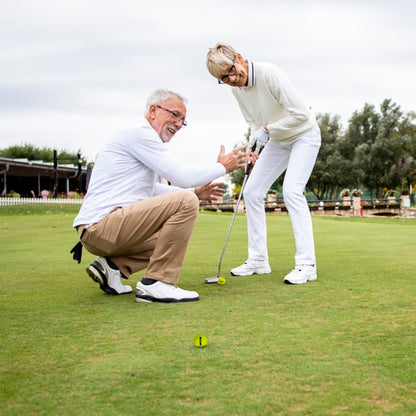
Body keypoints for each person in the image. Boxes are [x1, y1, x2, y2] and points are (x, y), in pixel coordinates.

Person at [71, 88, 245, 302]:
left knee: (171, 235)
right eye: (175, 114)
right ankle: (157, 283)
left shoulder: (139, 137)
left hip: (100, 230)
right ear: (153, 110)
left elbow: (152, 190)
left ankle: (111, 267)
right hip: (101, 226)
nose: (179, 124)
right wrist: (222, 167)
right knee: (186, 203)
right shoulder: (140, 133)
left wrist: (196, 192)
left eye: (183, 120)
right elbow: (180, 175)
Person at [206, 43, 321, 285]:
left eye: (230, 71)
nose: (231, 79)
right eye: (223, 79)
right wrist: (253, 146)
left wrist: (267, 130)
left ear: (239, 58)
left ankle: (306, 264)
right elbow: (253, 123)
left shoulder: (270, 74)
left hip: (304, 135)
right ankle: (258, 259)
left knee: (291, 191)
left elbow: (302, 115)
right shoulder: (235, 89)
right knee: (252, 191)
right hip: (278, 140)